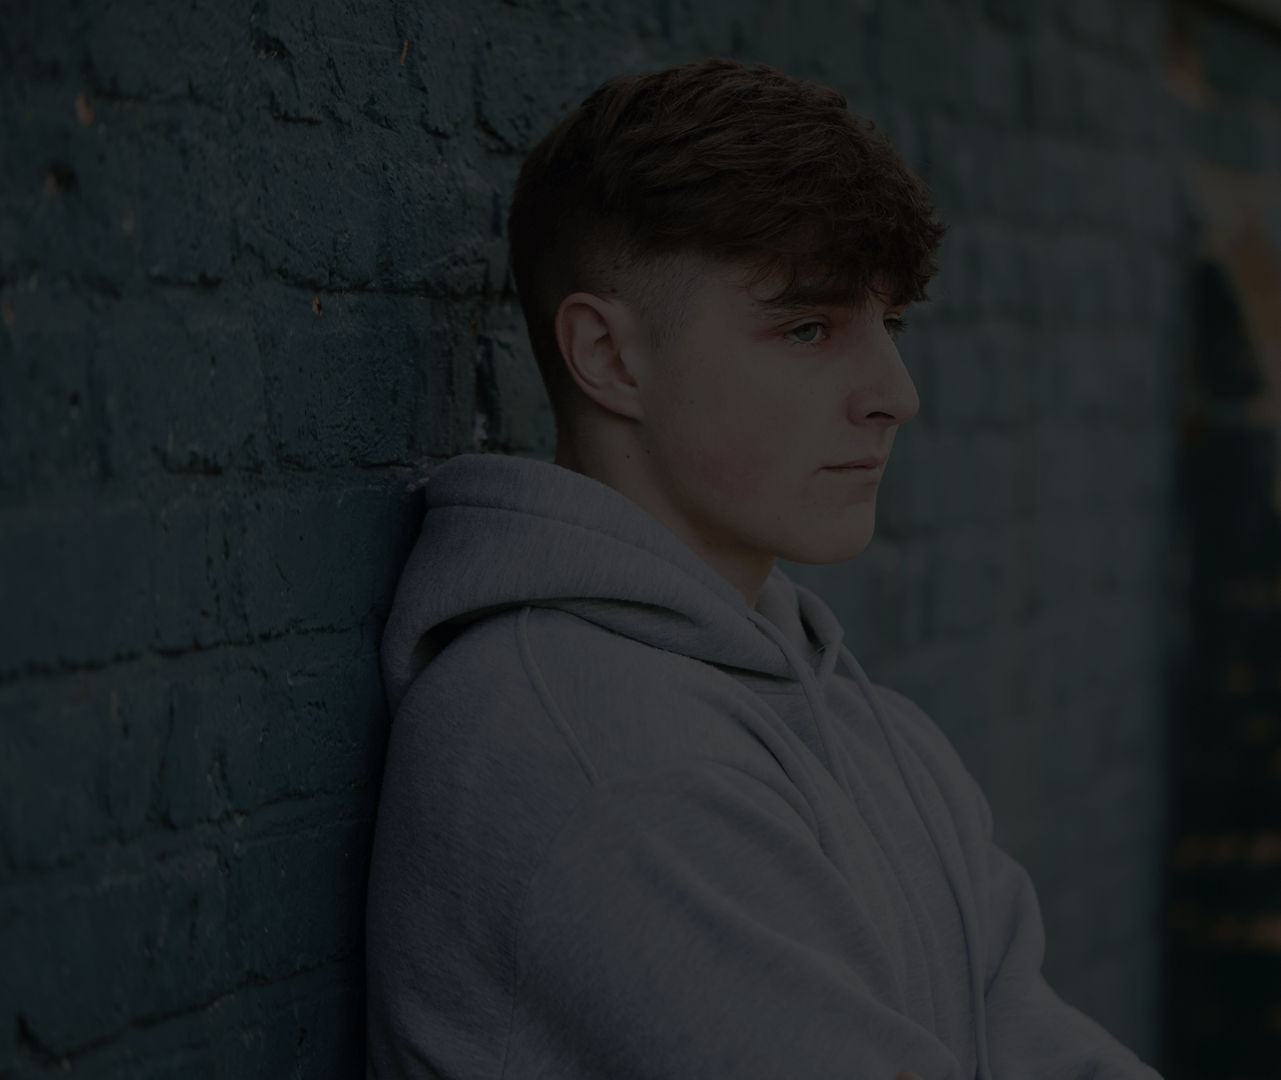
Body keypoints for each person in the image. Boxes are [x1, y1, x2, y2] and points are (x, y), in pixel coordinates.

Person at [365, 57, 1160, 1080]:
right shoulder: (596, 751)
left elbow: (1033, 1042)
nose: (896, 393)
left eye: (893, 326)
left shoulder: (872, 732)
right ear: (610, 359)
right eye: (808, 328)